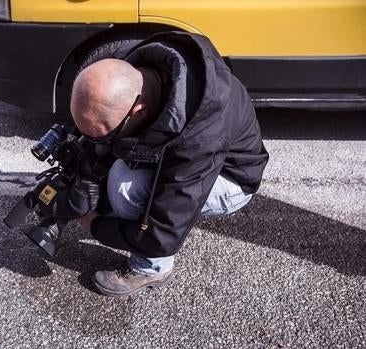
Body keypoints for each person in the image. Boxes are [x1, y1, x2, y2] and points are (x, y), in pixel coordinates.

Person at [70, 32, 269, 297]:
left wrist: (93, 223)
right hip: (191, 154)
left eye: (105, 134)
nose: (99, 141)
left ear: (138, 110)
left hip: (230, 177)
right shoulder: (131, 66)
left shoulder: (200, 136)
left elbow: (162, 233)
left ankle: (151, 269)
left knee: (125, 185)